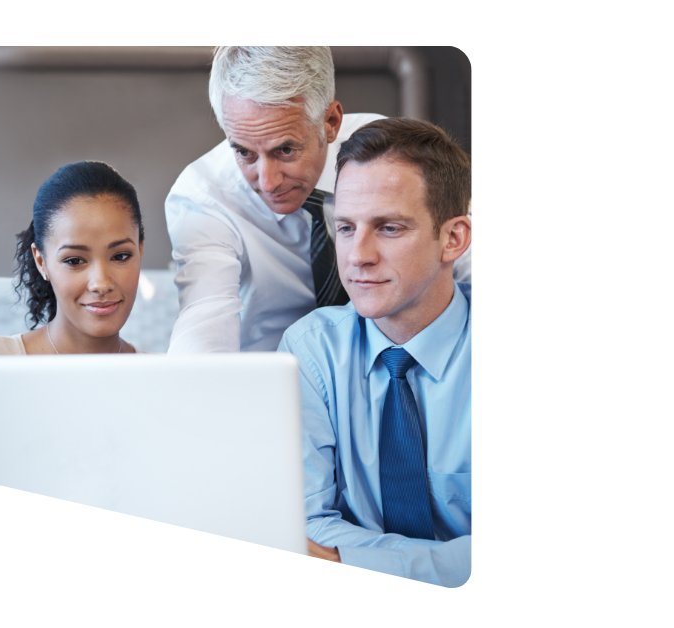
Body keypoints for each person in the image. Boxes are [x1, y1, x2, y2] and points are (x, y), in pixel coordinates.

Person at [165, 46, 472, 353]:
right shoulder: (204, 197)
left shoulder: (388, 157)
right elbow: (204, 325)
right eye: (244, 152)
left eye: (285, 150)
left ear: (331, 123)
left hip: (397, 363)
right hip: (267, 376)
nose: (268, 181)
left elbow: (460, 252)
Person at [276, 117, 472, 586]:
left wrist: (349, 557)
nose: (357, 255)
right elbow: (301, 526)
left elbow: (325, 548)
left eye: (388, 228)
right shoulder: (309, 352)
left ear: (454, 239)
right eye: (346, 227)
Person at [0, 160, 147, 356]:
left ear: (140, 251)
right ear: (41, 262)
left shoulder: (164, 377)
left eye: (121, 256)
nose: (101, 284)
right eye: (74, 261)